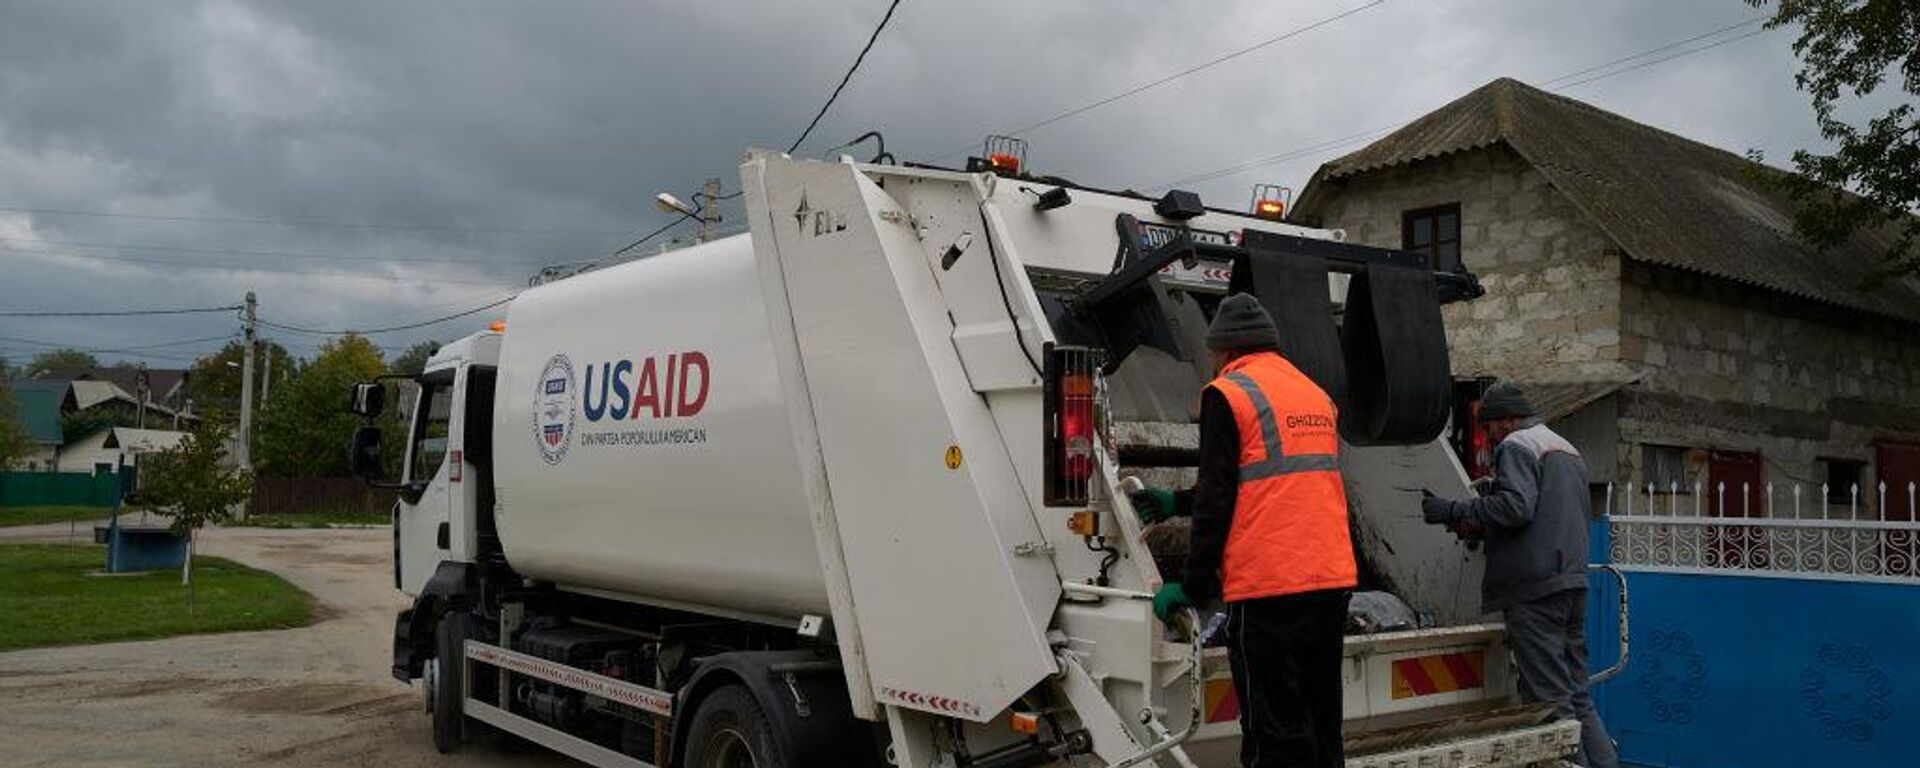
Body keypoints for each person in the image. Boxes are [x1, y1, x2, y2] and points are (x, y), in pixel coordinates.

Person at [1152, 293, 1356, 768]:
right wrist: (1176, 502)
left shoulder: (1230, 393)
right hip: (1329, 582)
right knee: (1322, 723)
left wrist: (1192, 584)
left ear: (1225, 350)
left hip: (1269, 588)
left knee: (1274, 734)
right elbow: (1276, 482)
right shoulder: (1313, 393)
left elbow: (1219, 495)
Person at [1420, 382, 1619, 768]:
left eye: (1489, 427)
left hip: (1535, 590)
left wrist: (1455, 511)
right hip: (1572, 583)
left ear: (1508, 419)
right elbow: (1541, 513)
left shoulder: (1517, 445)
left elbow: (1515, 508)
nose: (1489, 436)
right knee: (1578, 695)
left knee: (1550, 702)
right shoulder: (1566, 448)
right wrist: (1483, 518)